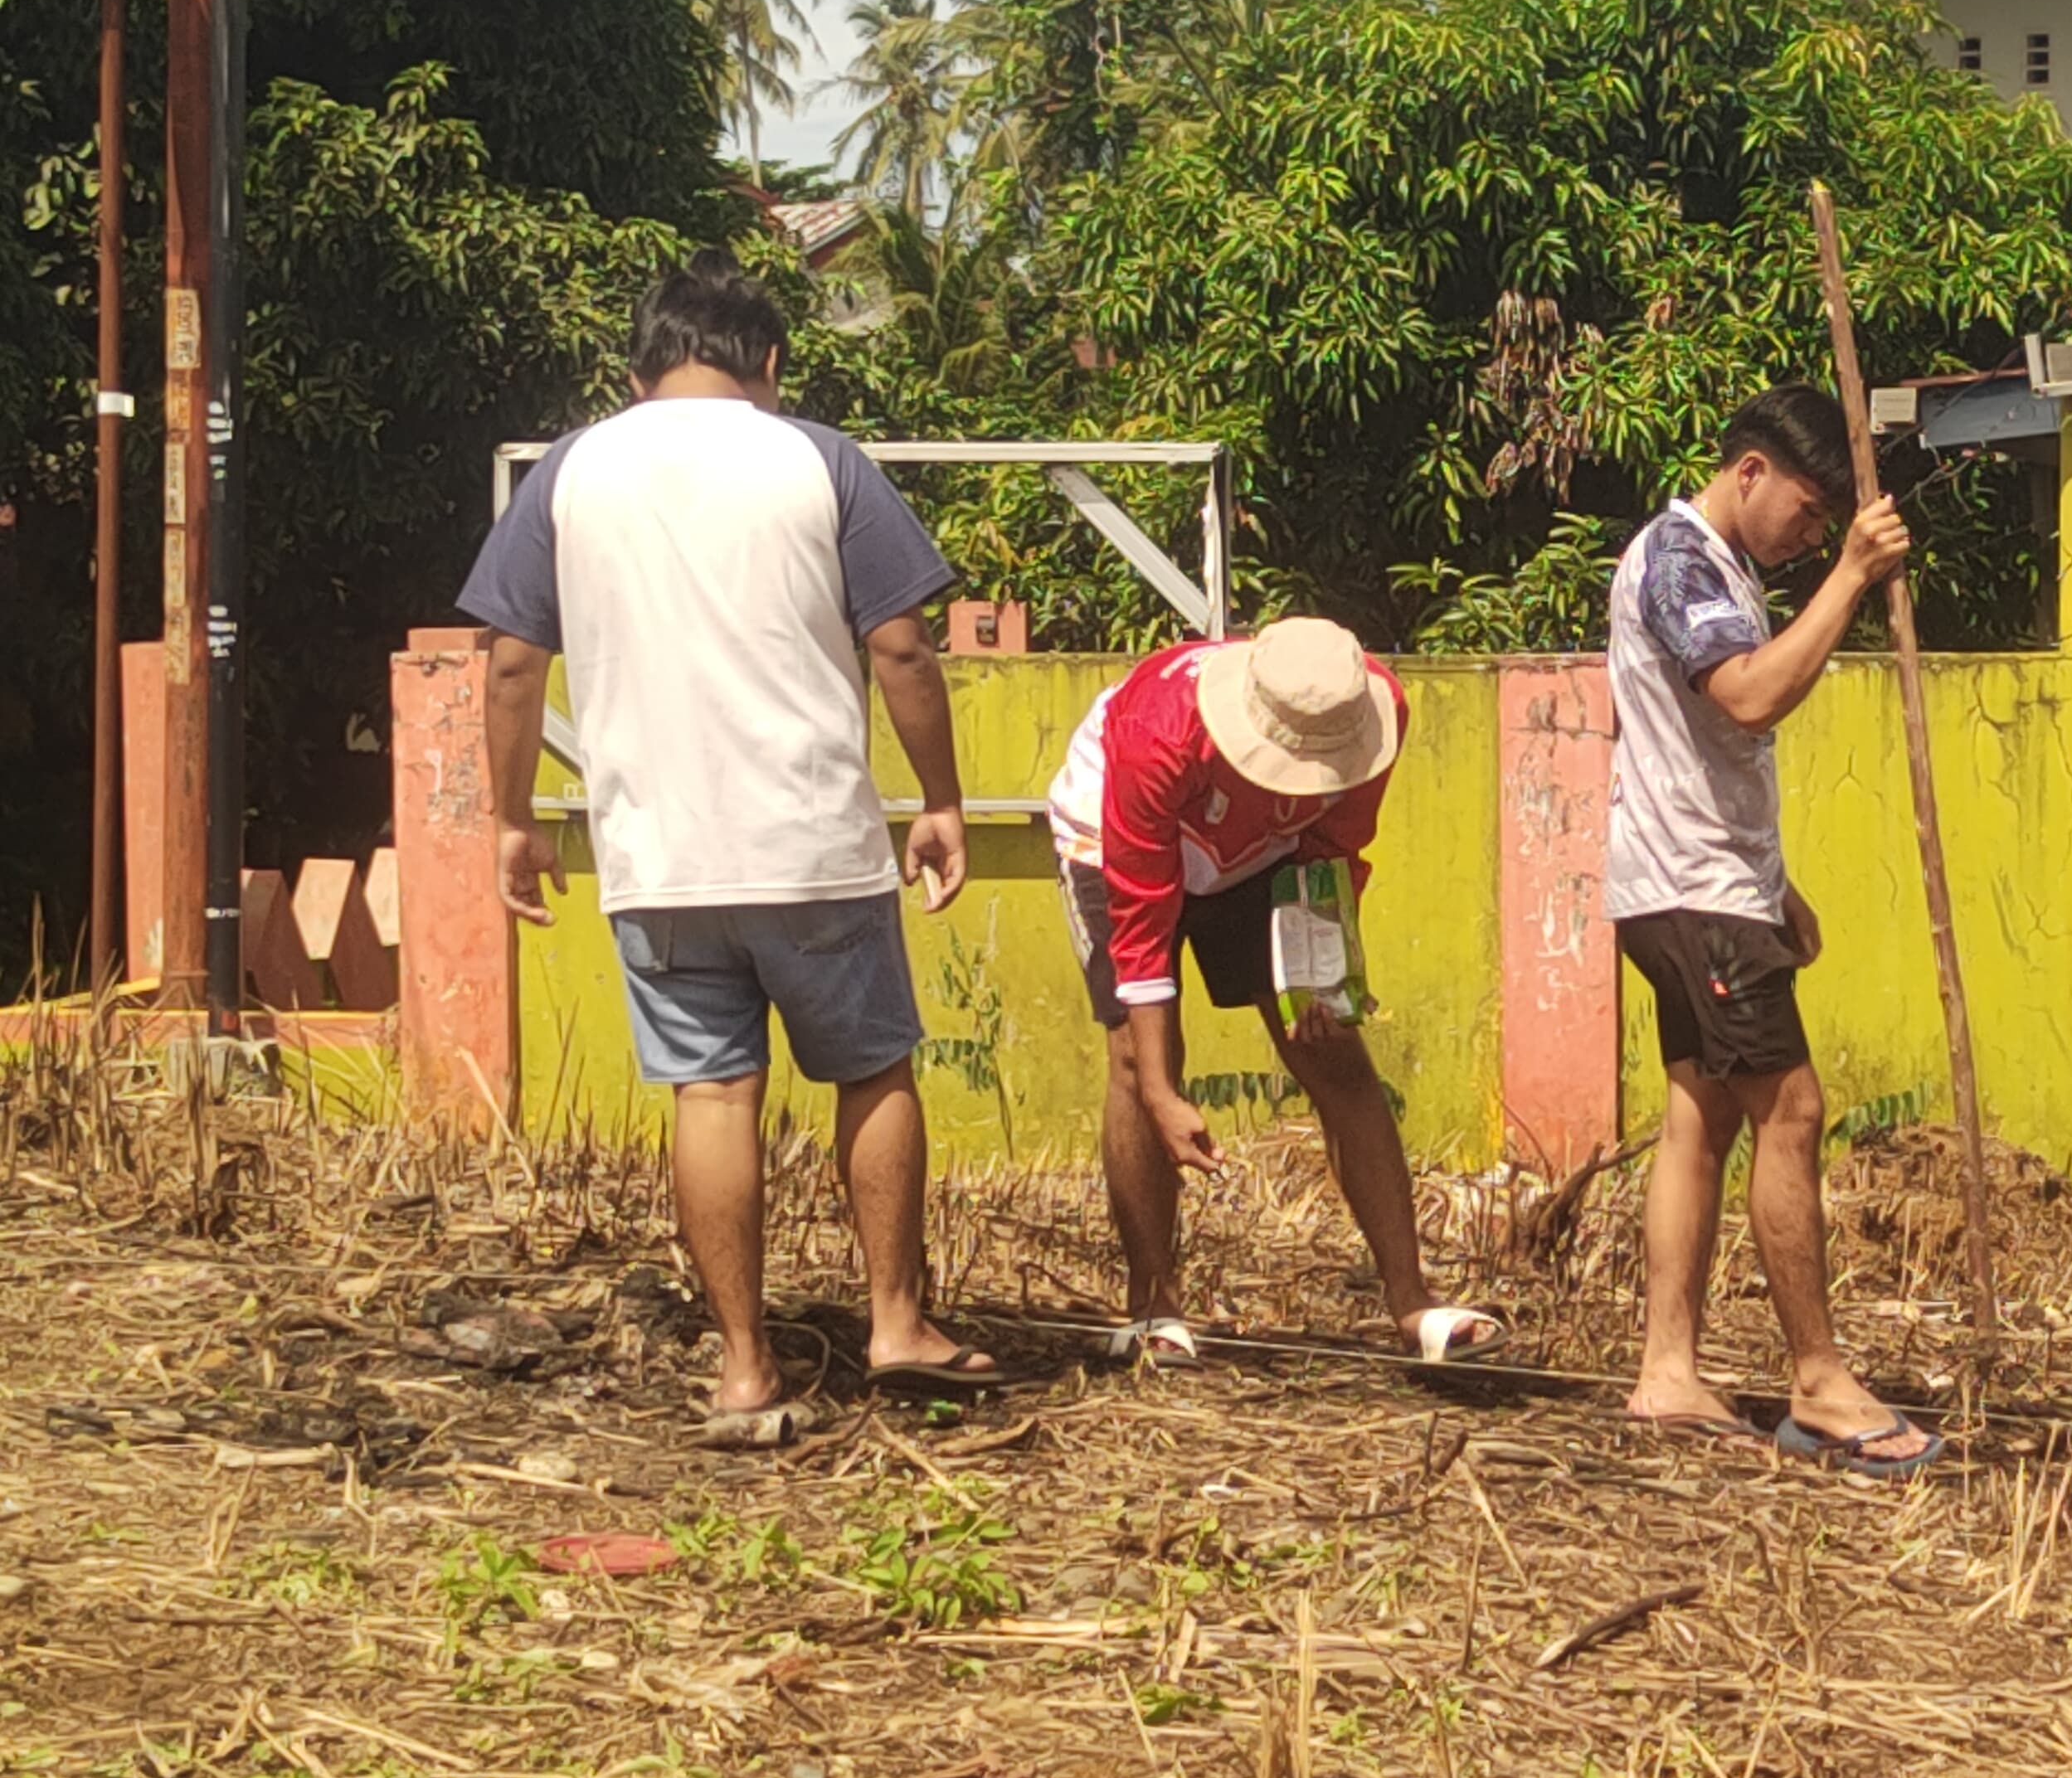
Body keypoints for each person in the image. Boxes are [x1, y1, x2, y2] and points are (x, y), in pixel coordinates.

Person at [462, 249, 1000, 1430]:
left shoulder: (570, 469)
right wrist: (942, 799)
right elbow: (902, 645)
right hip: (811, 841)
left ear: (643, 362)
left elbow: (508, 657)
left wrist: (510, 818)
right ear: (768, 360)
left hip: (659, 854)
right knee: (872, 1067)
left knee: (710, 1092)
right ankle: (898, 1322)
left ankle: (747, 1366)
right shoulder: (817, 457)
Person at [1606, 384, 1939, 1479]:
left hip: (1705, 886)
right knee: (1791, 1109)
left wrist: (1774, 880)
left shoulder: (1718, 568)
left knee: (1702, 1113)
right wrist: (1852, 573)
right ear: (1748, 471)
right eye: (1804, 513)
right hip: (1695, 895)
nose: (1808, 538)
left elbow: (1710, 747)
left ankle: (1668, 1371)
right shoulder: (1680, 558)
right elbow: (1748, 698)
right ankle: (1819, 1379)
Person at [1047, 617, 1505, 1367]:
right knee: (1139, 1064)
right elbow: (1141, 922)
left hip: (1264, 855)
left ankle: (1413, 1302)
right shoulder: (1157, 733)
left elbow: (1333, 850)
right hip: (1111, 840)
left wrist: (1317, 973)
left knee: (1335, 1055)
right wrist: (1165, 1092)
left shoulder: (1371, 706)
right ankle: (1152, 1307)